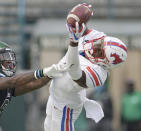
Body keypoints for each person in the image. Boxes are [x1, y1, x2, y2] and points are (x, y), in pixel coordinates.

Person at [44, 3, 128, 131]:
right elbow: (77, 26)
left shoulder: (99, 74)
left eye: (99, 52)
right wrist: (77, 18)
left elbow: (74, 72)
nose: (95, 47)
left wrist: (73, 42)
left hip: (66, 105)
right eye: (100, 44)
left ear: (105, 63)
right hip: (55, 95)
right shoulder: (98, 37)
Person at [0, 41, 67, 131]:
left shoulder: (3, 84)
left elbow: (35, 83)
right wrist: (42, 71)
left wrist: (52, 73)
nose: (9, 61)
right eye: (4, 57)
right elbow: (13, 81)